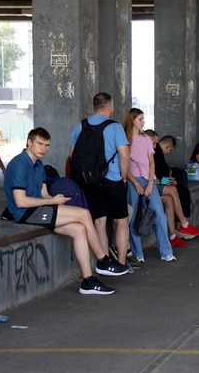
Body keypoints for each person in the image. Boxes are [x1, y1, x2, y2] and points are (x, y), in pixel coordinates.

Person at [5, 128, 128, 295]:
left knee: (80, 229)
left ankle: (88, 281)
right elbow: (21, 201)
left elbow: (43, 194)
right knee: (84, 214)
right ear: (29, 142)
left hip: (40, 208)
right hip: (25, 213)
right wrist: (52, 202)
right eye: (40, 144)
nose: (44, 148)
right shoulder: (19, 164)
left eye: (47, 145)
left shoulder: (39, 165)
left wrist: (56, 199)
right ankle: (103, 260)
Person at [70, 93, 132, 268]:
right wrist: (124, 177)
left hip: (89, 182)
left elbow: (72, 156)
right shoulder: (115, 127)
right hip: (112, 181)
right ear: (109, 107)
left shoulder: (80, 126)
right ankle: (121, 262)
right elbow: (124, 156)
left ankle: (104, 261)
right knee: (121, 221)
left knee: (99, 221)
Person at [122, 108, 177, 262]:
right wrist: (136, 184)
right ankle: (138, 253)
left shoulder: (146, 138)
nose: (143, 121)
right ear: (132, 119)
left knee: (159, 214)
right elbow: (124, 166)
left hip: (149, 179)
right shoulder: (124, 138)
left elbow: (151, 162)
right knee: (134, 218)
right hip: (133, 180)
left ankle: (166, 251)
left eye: (143, 119)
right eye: (140, 119)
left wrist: (150, 184)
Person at [147, 132, 199, 245]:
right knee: (173, 189)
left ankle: (172, 236)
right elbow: (152, 178)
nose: (155, 146)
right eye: (153, 143)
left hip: (155, 182)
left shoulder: (154, 152)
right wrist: (167, 180)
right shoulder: (152, 152)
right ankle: (184, 224)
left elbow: (157, 175)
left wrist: (167, 179)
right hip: (148, 185)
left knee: (171, 198)